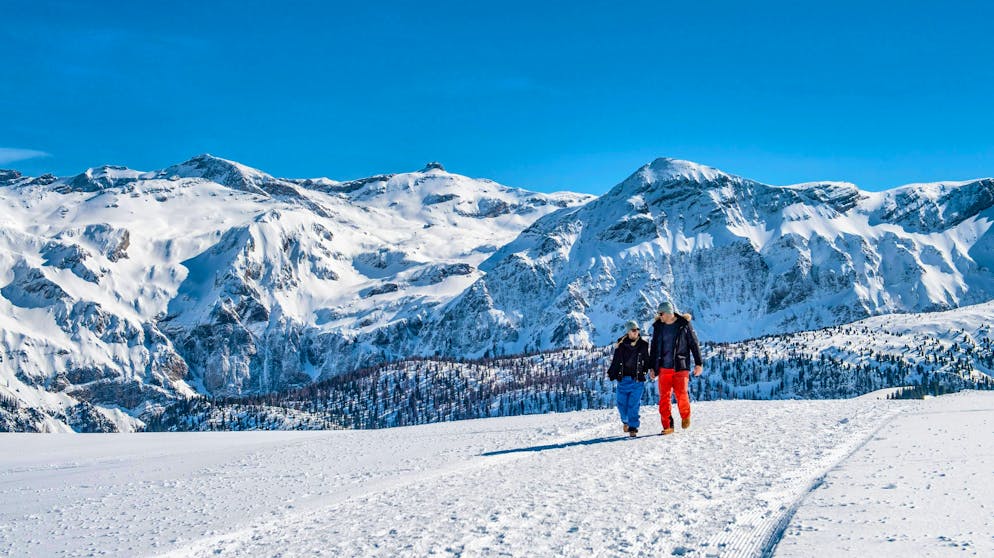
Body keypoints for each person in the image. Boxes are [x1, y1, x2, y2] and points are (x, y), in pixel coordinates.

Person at [648, 301, 703, 435]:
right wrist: (652, 368)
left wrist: (698, 363)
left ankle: (685, 416)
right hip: (663, 368)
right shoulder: (658, 327)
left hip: (681, 366)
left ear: (667, 313)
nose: (659, 316)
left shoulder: (683, 325)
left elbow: (693, 343)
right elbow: (654, 347)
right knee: (664, 398)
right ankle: (668, 425)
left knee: (681, 393)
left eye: (660, 314)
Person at [607, 320, 650, 437]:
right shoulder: (621, 345)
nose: (636, 332)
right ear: (628, 332)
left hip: (637, 380)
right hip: (623, 380)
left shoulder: (643, 345)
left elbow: (647, 360)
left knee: (633, 405)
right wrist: (611, 373)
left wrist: (648, 370)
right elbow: (616, 361)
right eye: (633, 330)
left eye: (637, 330)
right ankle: (625, 422)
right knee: (622, 405)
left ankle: (633, 427)